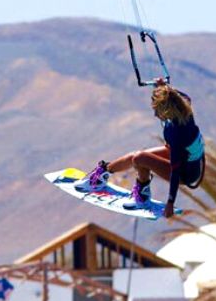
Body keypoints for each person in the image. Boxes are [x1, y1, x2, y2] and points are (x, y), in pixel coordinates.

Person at [74, 79, 205, 216]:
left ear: (167, 110)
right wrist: (162, 87)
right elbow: (180, 96)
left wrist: (170, 203)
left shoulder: (176, 132)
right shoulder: (185, 106)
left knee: (140, 158)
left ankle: (142, 197)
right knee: (135, 156)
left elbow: (175, 172)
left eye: (157, 110)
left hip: (186, 173)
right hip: (185, 155)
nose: (155, 114)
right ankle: (101, 176)